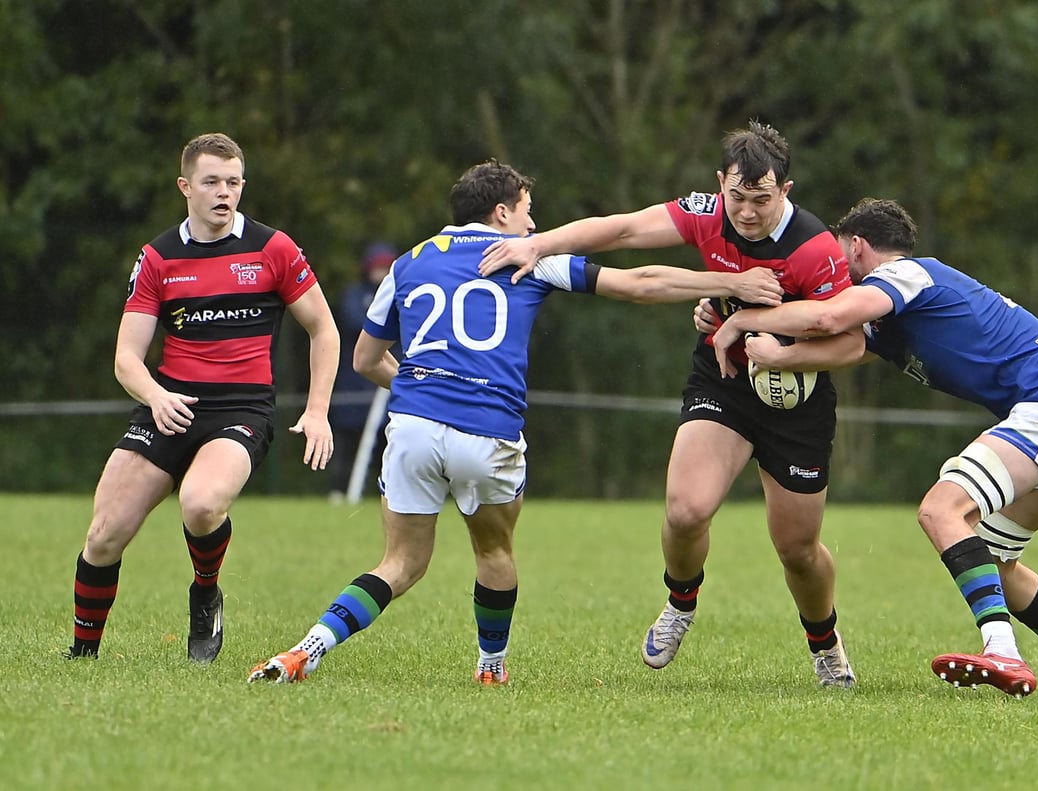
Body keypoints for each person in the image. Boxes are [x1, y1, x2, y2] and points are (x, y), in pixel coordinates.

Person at [247, 158, 785, 685]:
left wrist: (422, 387)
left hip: (412, 426)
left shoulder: (407, 263)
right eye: (527, 211)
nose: (534, 225)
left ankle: (308, 648)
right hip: (487, 431)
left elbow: (366, 359)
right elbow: (641, 282)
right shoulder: (531, 257)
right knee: (494, 551)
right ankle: (491, 666)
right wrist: (731, 284)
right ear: (501, 212)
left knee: (400, 563)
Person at [477, 121, 865, 688]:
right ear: (720, 182)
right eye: (737, 197)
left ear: (785, 190)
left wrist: (781, 351)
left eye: (762, 200)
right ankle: (681, 603)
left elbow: (850, 344)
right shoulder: (707, 212)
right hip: (723, 380)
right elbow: (625, 229)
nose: (747, 212)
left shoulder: (816, 250)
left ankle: (824, 642)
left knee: (797, 550)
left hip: (796, 401)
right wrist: (538, 244)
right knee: (685, 511)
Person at [709, 197, 1038, 696]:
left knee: (940, 511)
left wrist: (746, 323)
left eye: (839, 256)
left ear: (857, 246)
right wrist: (743, 326)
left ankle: (1002, 652)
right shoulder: (893, 315)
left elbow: (827, 317)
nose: (834, 272)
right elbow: (844, 346)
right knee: (995, 562)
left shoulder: (906, 275)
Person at [66, 132, 339, 664]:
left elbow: (324, 330)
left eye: (233, 182)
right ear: (185, 186)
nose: (224, 192)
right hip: (169, 405)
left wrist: (317, 411)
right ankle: (81, 657)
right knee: (104, 534)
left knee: (201, 503)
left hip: (241, 409)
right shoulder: (158, 258)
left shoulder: (273, 249)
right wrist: (156, 396)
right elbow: (126, 358)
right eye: (211, 182)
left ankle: (206, 593)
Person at [327, 242, 398, 502]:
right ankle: (338, 491)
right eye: (377, 266)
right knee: (347, 441)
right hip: (355, 383)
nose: (381, 272)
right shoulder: (354, 295)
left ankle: (387, 491)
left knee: (388, 441)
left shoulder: (399, 292)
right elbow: (358, 323)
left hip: (386, 382)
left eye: (386, 266)